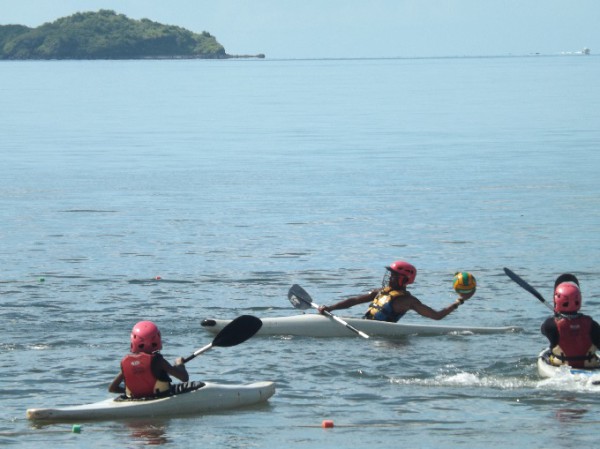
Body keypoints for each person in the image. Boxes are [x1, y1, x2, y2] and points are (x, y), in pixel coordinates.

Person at [318, 260, 475, 322]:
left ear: (405, 280)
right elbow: (353, 301)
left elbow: (437, 316)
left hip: (388, 339)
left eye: (394, 276)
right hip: (367, 324)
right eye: (390, 275)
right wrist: (330, 308)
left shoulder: (408, 301)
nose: (390, 278)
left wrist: (460, 300)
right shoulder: (381, 292)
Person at [109, 321, 192, 398]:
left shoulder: (127, 363)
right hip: (160, 397)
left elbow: (112, 388)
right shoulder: (158, 360)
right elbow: (184, 378)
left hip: (134, 398)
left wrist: (129, 391)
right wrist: (179, 364)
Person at [541, 274, 600, 368]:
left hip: (562, 367)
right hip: (589, 366)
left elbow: (543, 331)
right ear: (579, 299)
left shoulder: (550, 324)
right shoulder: (592, 324)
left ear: (557, 300)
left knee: (546, 355)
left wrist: (556, 316)